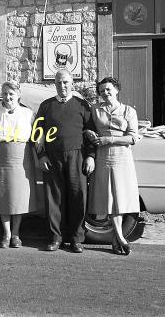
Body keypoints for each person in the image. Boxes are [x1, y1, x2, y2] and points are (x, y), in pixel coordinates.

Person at [35, 69, 95, 253]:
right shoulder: (46, 106)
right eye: (59, 83)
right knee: (54, 198)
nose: (63, 86)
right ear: (55, 84)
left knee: (78, 197)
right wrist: (41, 155)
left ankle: (77, 239)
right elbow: (37, 134)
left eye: (66, 82)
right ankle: (56, 238)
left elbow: (91, 134)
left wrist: (91, 156)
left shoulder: (82, 105)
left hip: (77, 156)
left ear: (72, 83)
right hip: (52, 157)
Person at [85, 77, 140, 256]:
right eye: (101, 91)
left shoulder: (128, 111)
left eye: (108, 89)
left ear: (116, 90)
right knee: (109, 200)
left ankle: (119, 240)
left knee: (121, 199)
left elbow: (132, 137)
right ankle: (119, 240)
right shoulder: (95, 110)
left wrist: (110, 139)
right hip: (102, 157)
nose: (105, 93)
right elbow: (86, 127)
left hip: (122, 157)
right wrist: (89, 132)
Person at [0, 81, 39, 248]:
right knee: (3, 195)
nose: (8, 97)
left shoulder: (28, 114)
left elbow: (38, 137)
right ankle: (6, 233)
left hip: (21, 158)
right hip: (0, 159)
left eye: (11, 94)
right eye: (5, 94)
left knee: (18, 197)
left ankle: (16, 234)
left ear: (18, 95)